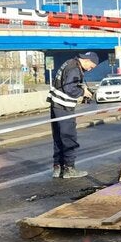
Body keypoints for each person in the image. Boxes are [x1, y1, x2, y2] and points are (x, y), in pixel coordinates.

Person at [47, 51, 98, 179]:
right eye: (91, 66)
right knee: (69, 137)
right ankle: (69, 168)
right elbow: (70, 89)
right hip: (64, 107)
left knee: (58, 138)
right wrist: (83, 92)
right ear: (86, 60)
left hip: (55, 105)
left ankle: (57, 167)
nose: (90, 69)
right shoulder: (75, 69)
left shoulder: (68, 63)